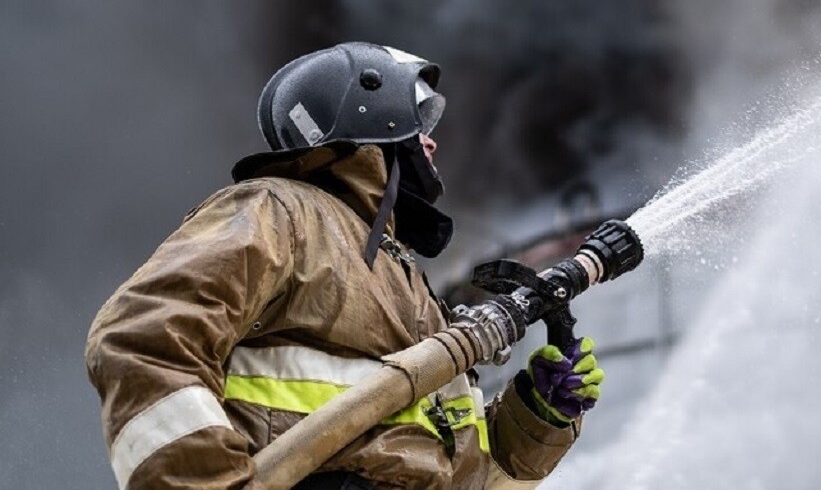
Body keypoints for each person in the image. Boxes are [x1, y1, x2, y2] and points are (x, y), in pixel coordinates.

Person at [85, 42, 604, 489]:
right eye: (419, 118)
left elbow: (456, 477)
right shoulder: (280, 211)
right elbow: (142, 336)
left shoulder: (409, 284)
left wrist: (536, 419)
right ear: (370, 112)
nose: (432, 140)